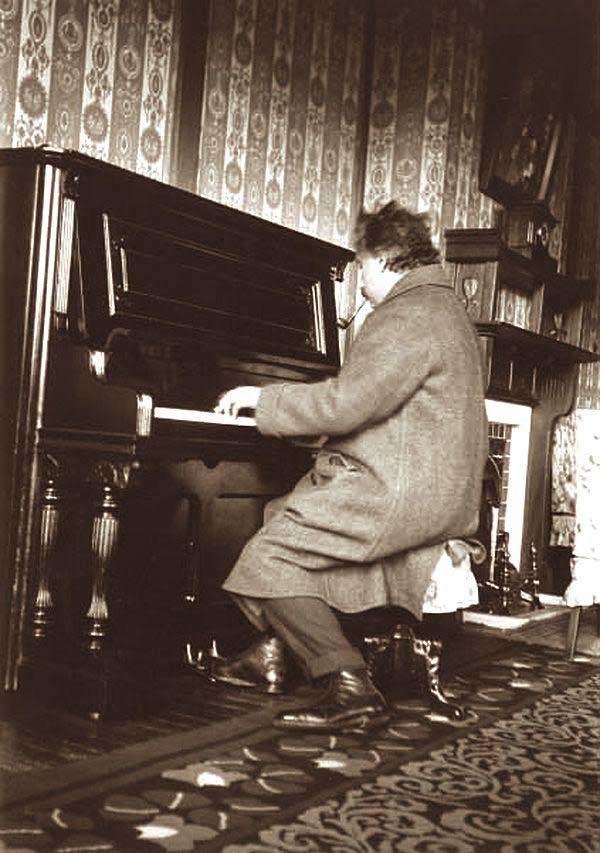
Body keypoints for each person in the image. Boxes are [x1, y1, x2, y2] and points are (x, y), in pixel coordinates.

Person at [200, 200, 488, 734]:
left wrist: (262, 400)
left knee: (267, 557)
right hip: (433, 489)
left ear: (383, 258)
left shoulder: (406, 315)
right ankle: (273, 654)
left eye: (360, 266)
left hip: (397, 494)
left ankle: (348, 681)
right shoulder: (444, 310)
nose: (358, 284)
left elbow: (348, 405)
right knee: (277, 511)